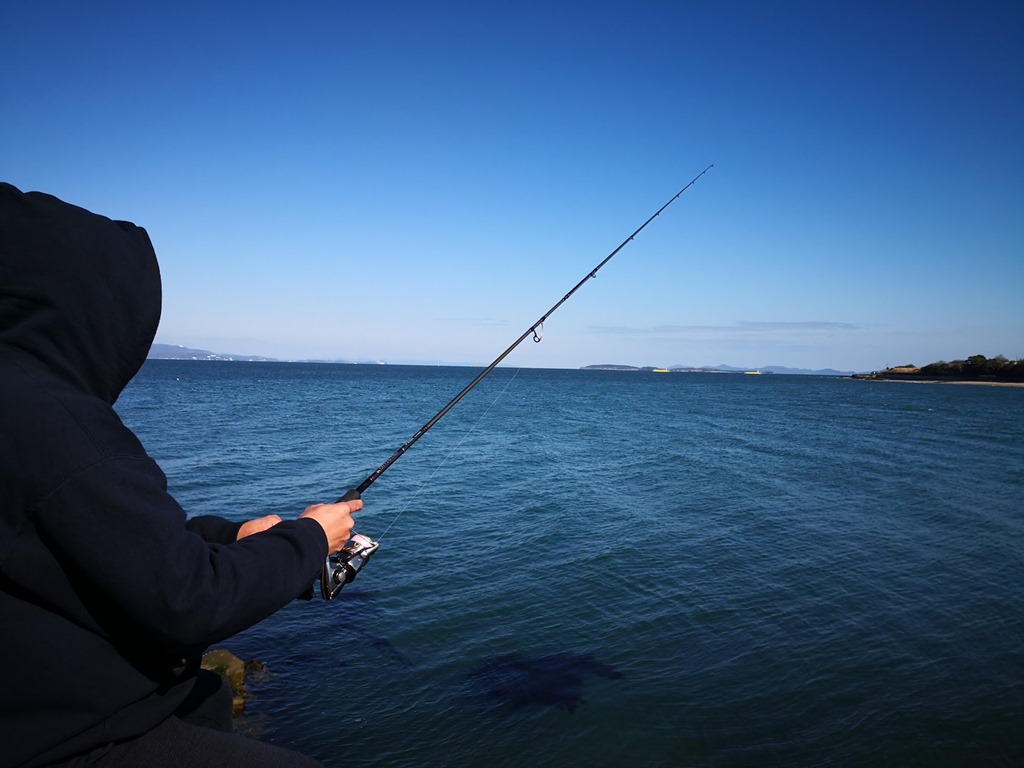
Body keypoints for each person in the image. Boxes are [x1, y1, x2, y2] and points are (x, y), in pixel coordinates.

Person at [0, 182, 361, 767]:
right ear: (97, 309)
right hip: (71, 740)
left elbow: (96, 542)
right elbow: (190, 599)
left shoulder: (25, 407)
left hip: (57, 707)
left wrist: (229, 538)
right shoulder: (56, 422)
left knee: (207, 698)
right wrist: (311, 538)